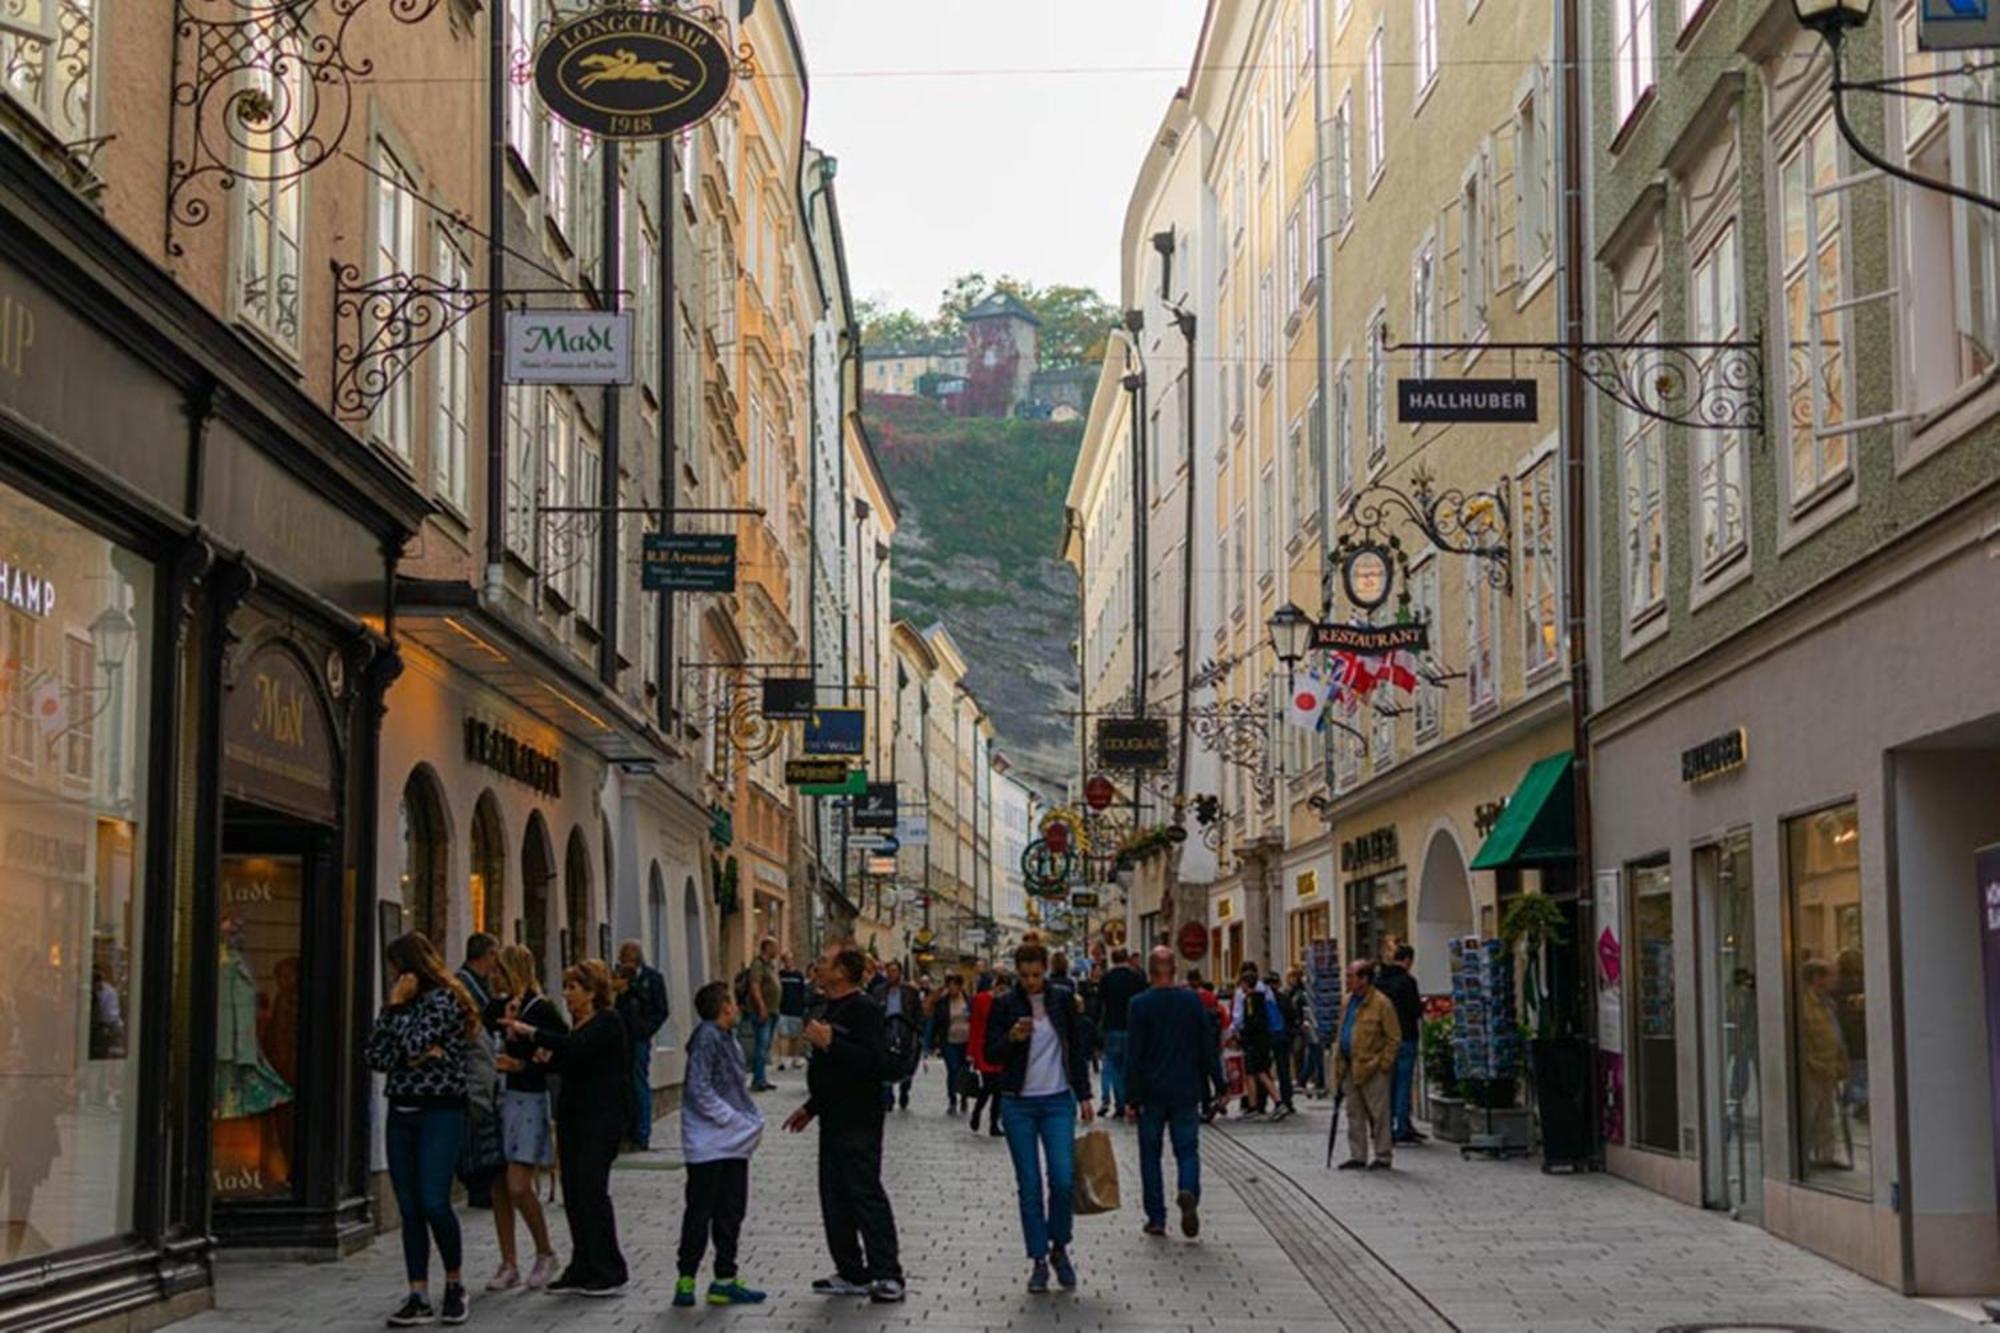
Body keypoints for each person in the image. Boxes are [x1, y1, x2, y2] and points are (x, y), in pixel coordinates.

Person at [366, 932, 481, 1327]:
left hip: (440, 1112)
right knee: (410, 1207)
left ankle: (454, 1283)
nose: (394, 975)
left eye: (396, 967)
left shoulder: (444, 1001)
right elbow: (376, 1056)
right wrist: (399, 1021)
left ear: (411, 967)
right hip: (401, 1112)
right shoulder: (399, 1006)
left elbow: (414, 1044)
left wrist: (408, 1040)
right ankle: (417, 1292)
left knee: (434, 1201)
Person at [784, 947, 904, 1303]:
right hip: (833, 1117)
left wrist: (833, 1042)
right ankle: (851, 1271)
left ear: (842, 972)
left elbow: (875, 1063)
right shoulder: (828, 1007)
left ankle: (887, 1273)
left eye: (825, 961)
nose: (818, 965)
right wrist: (811, 1107)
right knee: (834, 1197)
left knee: (864, 1194)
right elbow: (831, 1071)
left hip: (859, 1119)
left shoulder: (864, 1009)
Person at [505, 960, 630, 1295]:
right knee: (574, 1193)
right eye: (566, 987)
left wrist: (534, 1033)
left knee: (591, 1190)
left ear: (591, 991)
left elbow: (576, 1050)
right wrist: (528, 1051)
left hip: (600, 1120)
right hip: (574, 1118)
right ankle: (582, 1265)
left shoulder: (607, 1022)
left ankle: (609, 1268)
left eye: (573, 988)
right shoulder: (577, 1026)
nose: (567, 995)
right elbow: (561, 1059)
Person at [985, 942, 1095, 1293]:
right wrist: (1012, 1038)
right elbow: (991, 1053)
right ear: (1017, 973)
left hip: (1057, 1100)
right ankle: (1038, 1260)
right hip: (1018, 1103)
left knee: (1062, 1179)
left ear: (1046, 970)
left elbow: (1076, 1048)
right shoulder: (1005, 1004)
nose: (1031, 981)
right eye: (1025, 975)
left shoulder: (1062, 999)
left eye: (1037, 974)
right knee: (1030, 1185)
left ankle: (1059, 1246)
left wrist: (1085, 1094)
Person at [674, 980, 767, 1308]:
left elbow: (734, 1086)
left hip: (732, 1140)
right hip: (709, 1138)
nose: (738, 1008)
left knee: (731, 1209)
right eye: (733, 1002)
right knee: (702, 1209)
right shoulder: (708, 1037)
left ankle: (724, 1279)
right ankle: (686, 1279)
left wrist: (746, 1119)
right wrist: (732, 1119)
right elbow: (698, 1088)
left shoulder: (727, 1039)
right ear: (724, 1007)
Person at [481, 944, 565, 1294]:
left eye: (499, 969)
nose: (494, 976)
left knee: (519, 1183)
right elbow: (480, 1025)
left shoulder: (541, 1008)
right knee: (499, 1185)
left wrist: (525, 1063)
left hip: (528, 1099)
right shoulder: (499, 1006)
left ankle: (545, 1252)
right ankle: (508, 1261)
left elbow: (560, 1046)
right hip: (498, 1097)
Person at [1125, 947, 1224, 1240]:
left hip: (1151, 1091)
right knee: (1187, 1150)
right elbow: (1207, 1046)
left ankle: (1156, 1218)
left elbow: (1134, 1054)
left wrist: (1130, 1098)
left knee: (1150, 1156)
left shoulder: (1139, 1005)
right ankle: (1188, 1189)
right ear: (1175, 970)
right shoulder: (1191, 1001)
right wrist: (1219, 1084)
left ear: (1150, 971)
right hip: (1185, 1088)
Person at [1333, 959, 1402, 1171]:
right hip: (1349, 1065)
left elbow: (1394, 1038)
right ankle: (1358, 1155)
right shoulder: (1347, 1001)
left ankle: (1382, 1155)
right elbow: (1342, 1030)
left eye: (1351, 976)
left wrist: (1384, 1063)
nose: (1348, 980)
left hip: (1372, 1067)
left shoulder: (1382, 1003)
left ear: (1364, 979)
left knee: (1379, 1114)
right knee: (1354, 1113)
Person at [454, 934, 504, 1209]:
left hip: (483, 1065)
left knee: (483, 1127)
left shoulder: (481, 984)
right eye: (495, 955)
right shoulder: (464, 985)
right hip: (472, 1068)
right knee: (476, 1129)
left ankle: (481, 1183)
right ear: (485, 955)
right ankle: (476, 1183)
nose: (497, 962)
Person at [612, 939, 670, 1148]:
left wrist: (646, 1030)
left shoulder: (652, 979)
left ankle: (642, 1133)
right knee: (622, 1084)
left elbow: (661, 1010)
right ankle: (625, 1129)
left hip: (638, 1038)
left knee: (638, 1082)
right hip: (620, 1038)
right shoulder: (617, 979)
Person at [1375, 943, 1424, 1143]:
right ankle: (1401, 1126)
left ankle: (1386, 1124)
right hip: (1406, 1037)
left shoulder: (1379, 981)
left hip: (1384, 1039)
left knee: (1387, 1083)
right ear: (1407, 960)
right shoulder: (1407, 982)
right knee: (1404, 1083)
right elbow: (1415, 1010)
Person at [1230, 964, 1288, 1120]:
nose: (1240, 987)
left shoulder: (1250, 999)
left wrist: (1238, 1034)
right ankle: (1263, 1104)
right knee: (1257, 1073)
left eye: (1242, 983)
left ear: (1247, 984)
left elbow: (1248, 1021)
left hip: (1254, 1042)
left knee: (1256, 1073)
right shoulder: (1264, 995)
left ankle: (1271, 1103)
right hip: (1263, 1040)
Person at [1096, 948, 1147, 1120]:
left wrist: (1097, 1028)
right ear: (1126, 959)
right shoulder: (1137, 977)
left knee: (1115, 1067)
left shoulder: (1106, 978)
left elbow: (1099, 1004)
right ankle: (1134, 1102)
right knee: (1133, 1065)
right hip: (1134, 1027)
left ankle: (1120, 1104)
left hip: (1112, 1027)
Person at [966, 970, 1011, 1136]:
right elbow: (975, 1025)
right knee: (989, 1085)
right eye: (1000, 987)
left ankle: (993, 1123)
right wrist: (971, 1051)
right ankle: (977, 1112)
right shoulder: (981, 999)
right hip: (983, 1046)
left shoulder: (1008, 1002)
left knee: (998, 1088)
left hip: (1001, 1047)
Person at [876, 960, 921, 1111]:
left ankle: (904, 1089)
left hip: (905, 1029)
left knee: (905, 1060)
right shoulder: (879, 991)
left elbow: (917, 1013)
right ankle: (887, 1095)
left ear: (900, 973)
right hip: (885, 1028)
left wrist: (918, 1030)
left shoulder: (910, 992)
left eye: (894, 971)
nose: (891, 974)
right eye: (889, 971)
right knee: (885, 1061)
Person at [927, 972, 974, 1116]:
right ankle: (952, 1099)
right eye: (950, 985)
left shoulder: (969, 1001)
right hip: (949, 1041)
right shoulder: (942, 1002)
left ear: (960, 986)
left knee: (964, 1071)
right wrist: (930, 1042)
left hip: (966, 1041)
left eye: (955, 985)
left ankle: (964, 1097)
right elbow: (935, 1022)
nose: (952, 988)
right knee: (953, 1070)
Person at [747, 937, 782, 1092]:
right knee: (761, 1045)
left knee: (765, 1046)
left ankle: (761, 1078)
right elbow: (755, 986)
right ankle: (758, 1080)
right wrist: (761, 1007)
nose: (777, 950)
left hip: (773, 1010)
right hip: (763, 1011)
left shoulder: (770, 965)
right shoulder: (758, 964)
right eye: (775, 946)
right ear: (767, 947)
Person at [1287, 967, 1326, 1098]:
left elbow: (1305, 1007)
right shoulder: (1292, 992)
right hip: (1302, 1026)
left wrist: (1304, 1021)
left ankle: (1316, 1081)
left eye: (1291, 976)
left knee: (1312, 1052)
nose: (1289, 980)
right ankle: (1303, 1079)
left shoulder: (1304, 992)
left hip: (1308, 1025)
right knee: (1311, 1054)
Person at [777, 952, 808, 1070]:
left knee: (796, 1036)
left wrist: (803, 1006)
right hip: (783, 1009)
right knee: (783, 1035)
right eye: (785, 960)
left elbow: (802, 992)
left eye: (789, 959)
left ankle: (795, 1058)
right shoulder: (781, 975)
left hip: (796, 1010)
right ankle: (783, 1059)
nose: (788, 962)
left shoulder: (798, 975)